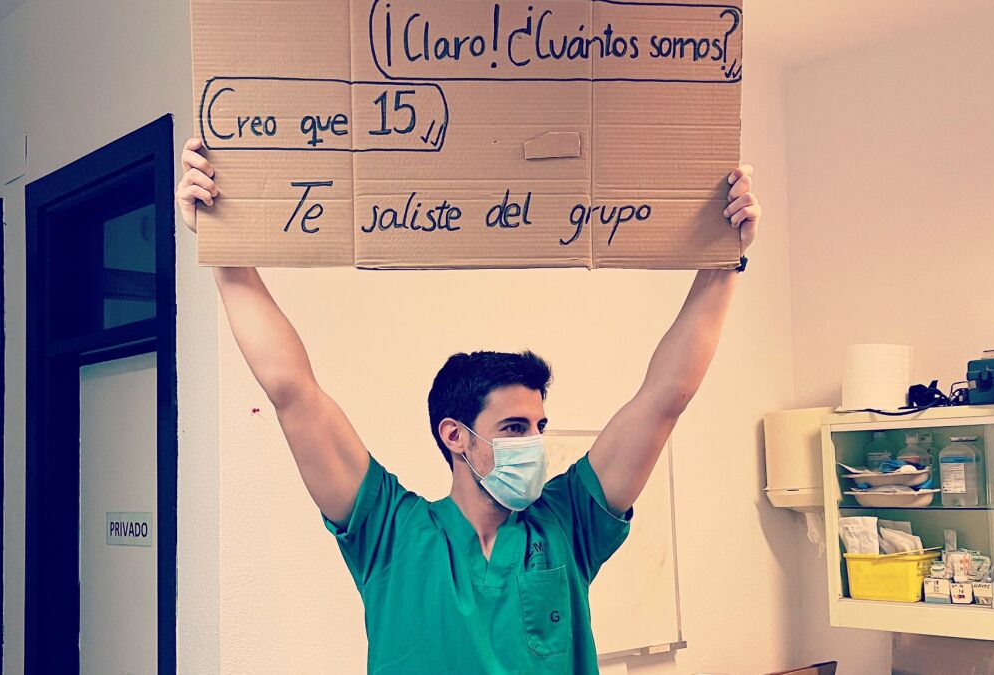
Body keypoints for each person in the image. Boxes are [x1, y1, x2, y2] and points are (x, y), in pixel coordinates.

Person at [177, 137, 761, 674]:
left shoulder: (567, 524)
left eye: (538, 426)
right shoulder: (391, 532)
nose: (533, 444)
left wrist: (723, 259)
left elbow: (665, 398)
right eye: (513, 427)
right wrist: (226, 250)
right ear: (454, 435)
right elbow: (292, 390)